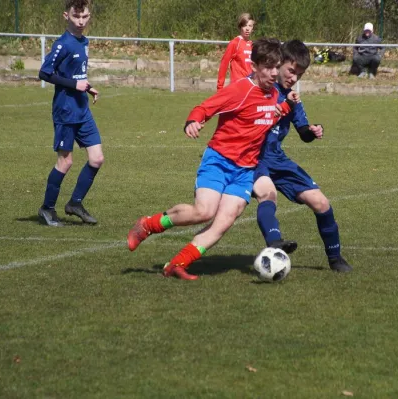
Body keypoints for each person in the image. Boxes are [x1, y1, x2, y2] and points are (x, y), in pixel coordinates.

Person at [127, 38, 298, 280]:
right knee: (203, 211)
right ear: (255, 66)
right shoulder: (240, 89)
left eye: (276, 66)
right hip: (219, 161)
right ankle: (148, 225)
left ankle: (176, 264)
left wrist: (286, 107)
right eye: (267, 67)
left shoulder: (273, 95)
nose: (273, 73)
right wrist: (194, 120)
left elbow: (265, 118)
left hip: (245, 170)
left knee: (223, 222)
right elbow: (206, 106)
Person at [254, 40, 352, 273]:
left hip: (278, 158)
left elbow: (303, 133)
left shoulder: (294, 98)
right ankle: (275, 242)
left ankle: (335, 258)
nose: (294, 78)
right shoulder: (261, 89)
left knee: (321, 203)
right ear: (278, 64)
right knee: (267, 194)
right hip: (254, 157)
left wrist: (312, 130)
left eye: (300, 74)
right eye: (291, 71)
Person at [37, 0, 102, 227]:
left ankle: (75, 203)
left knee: (97, 158)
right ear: (67, 16)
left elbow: (76, 74)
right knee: (65, 163)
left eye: (85, 17)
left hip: (82, 108)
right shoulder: (62, 44)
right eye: (77, 17)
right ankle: (47, 208)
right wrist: (74, 86)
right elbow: (44, 73)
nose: (81, 22)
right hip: (66, 109)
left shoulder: (84, 41)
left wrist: (88, 85)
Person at [216, 13, 255, 91]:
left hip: (250, 86)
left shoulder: (252, 45)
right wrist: (220, 87)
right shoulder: (235, 43)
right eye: (245, 25)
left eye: (250, 26)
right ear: (240, 27)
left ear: (253, 28)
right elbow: (224, 64)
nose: (247, 29)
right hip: (238, 87)